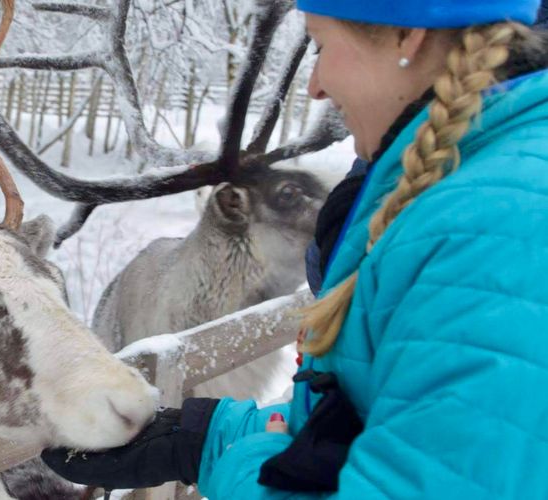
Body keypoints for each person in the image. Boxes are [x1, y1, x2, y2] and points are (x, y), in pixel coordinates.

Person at [42, 0, 548, 498]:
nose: (315, 85)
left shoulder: (488, 230)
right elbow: (397, 431)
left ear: (406, 36)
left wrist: (215, 459)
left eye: (322, 46)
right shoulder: (484, 189)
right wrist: (206, 437)